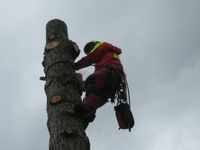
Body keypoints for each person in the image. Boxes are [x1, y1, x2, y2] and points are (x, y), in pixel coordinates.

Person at [74, 41, 124, 123]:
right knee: (98, 95)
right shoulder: (106, 56)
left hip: (110, 72)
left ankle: (88, 109)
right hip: (114, 80)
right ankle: (89, 115)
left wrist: (75, 66)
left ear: (91, 47)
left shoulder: (102, 46)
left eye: (88, 53)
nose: (88, 54)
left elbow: (89, 58)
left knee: (92, 81)